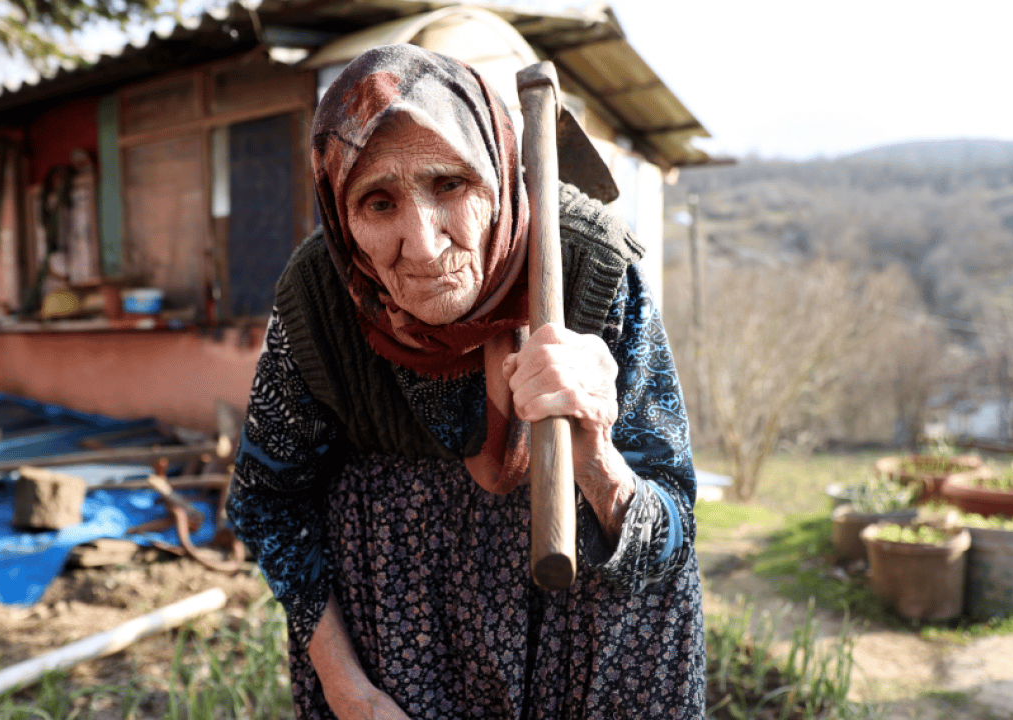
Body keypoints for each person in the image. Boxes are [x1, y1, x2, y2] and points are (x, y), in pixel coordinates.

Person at [228, 43, 704, 719]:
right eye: (379, 202)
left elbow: (675, 533)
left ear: (497, 176)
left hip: (589, 657)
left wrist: (595, 455)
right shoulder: (320, 295)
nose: (422, 244)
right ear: (342, 216)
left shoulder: (591, 265)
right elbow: (267, 503)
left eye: (449, 185)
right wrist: (348, 690)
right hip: (399, 656)